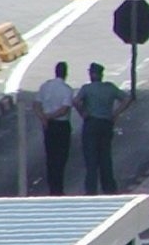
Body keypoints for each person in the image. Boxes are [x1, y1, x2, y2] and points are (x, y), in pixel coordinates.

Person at [75, 61, 132, 195]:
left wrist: (83, 112)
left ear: (91, 74)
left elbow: (76, 101)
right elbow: (127, 99)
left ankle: (91, 190)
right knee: (105, 156)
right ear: (101, 74)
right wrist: (115, 113)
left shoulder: (86, 89)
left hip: (91, 123)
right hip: (106, 123)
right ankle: (109, 188)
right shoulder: (109, 88)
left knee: (91, 159)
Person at [34, 60, 75, 196]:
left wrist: (43, 118)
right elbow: (64, 109)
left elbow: (36, 104)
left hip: (49, 126)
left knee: (50, 157)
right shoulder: (66, 90)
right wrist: (51, 116)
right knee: (61, 158)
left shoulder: (45, 86)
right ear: (66, 74)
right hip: (61, 126)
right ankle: (58, 188)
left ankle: (52, 187)